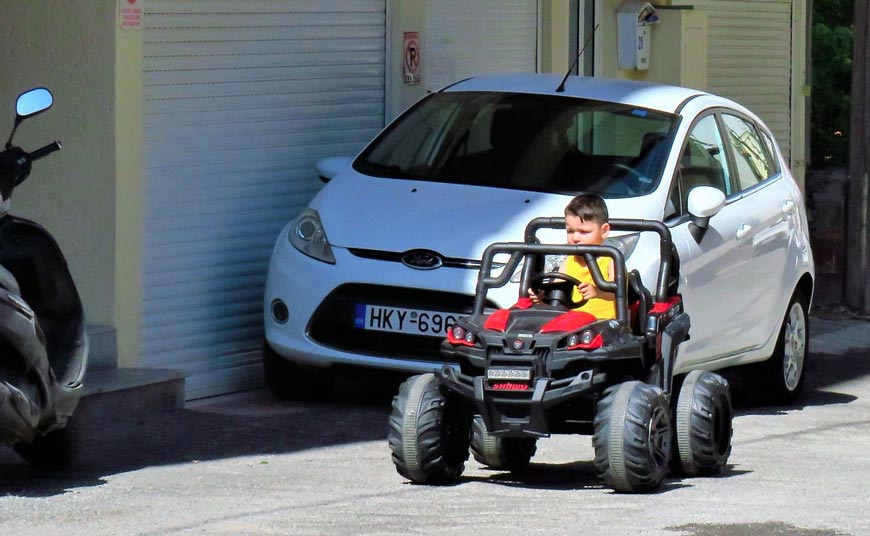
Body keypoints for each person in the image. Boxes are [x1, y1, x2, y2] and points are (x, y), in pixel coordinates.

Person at [528, 193, 616, 319]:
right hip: (572, 325)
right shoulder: (570, 260)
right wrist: (542, 298)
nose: (575, 238)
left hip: (605, 325)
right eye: (570, 231)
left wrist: (598, 292)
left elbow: (618, 293)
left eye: (583, 232)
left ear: (604, 231)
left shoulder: (611, 259)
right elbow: (557, 295)